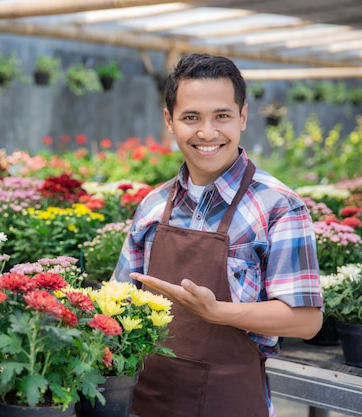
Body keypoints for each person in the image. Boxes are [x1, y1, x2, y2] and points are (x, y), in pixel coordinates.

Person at [111, 53, 323, 417]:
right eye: (191, 117)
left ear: (242, 117)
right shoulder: (152, 205)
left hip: (231, 401)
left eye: (222, 116)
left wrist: (217, 311)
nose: (207, 133)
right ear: (169, 121)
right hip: (146, 400)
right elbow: (118, 300)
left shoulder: (278, 206)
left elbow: (306, 321)